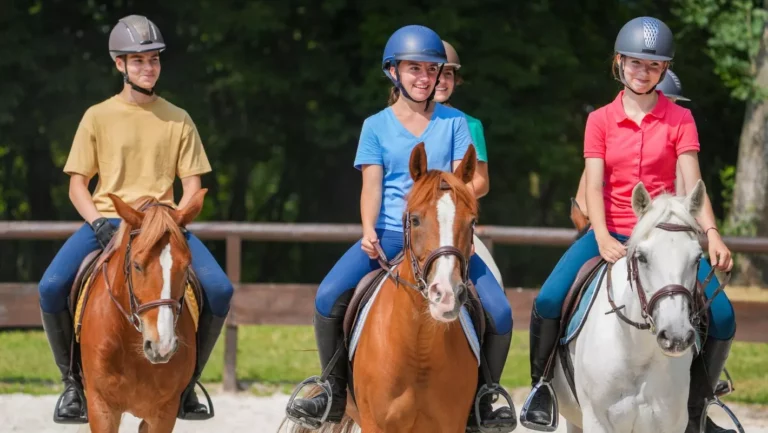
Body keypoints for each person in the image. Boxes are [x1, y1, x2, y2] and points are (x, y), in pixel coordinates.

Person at [285, 25, 516, 432]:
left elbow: (467, 181)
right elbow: (371, 186)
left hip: (443, 237)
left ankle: (485, 395)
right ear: (394, 72)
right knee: (327, 296)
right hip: (393, 231)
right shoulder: (375, 126)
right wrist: (367, 229)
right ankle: (333, 389)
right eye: (415, 69)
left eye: (431, 70)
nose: (424, 78)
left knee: (499, 311)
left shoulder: (456, 123)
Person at [520, 17, 737, 433]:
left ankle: (697, 405)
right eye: (635, 63)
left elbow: (694, 186)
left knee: (723, 316)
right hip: (613, 230)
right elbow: (595, 184)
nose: (643, 72)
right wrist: (600, 236)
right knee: (548, 300)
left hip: (664, 236)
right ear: (619, 63)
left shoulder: (680, 120)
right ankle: (541, 388)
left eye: (653, 66)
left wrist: (711, 234)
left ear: (664, 70)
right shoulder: (599, 120)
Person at [38, 15, 232, 423]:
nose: (148, 67)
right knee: (51, 287)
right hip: (109, 220)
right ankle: (73, 384)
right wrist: (97, 223)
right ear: (119, 65)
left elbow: (192, 187)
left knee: (219, 289)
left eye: (154, 60)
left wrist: (176, 220)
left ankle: (187, 384)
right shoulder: (97, 116)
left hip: (162, 225)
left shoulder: (178, 118)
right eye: (139, 60)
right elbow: (78, 186)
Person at [572, 68, 691, 220]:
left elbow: (683, 196)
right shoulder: (612, 144)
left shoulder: (677, 146)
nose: (671, 111)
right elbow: (583, 207)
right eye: (666, 102)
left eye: (674, 104)